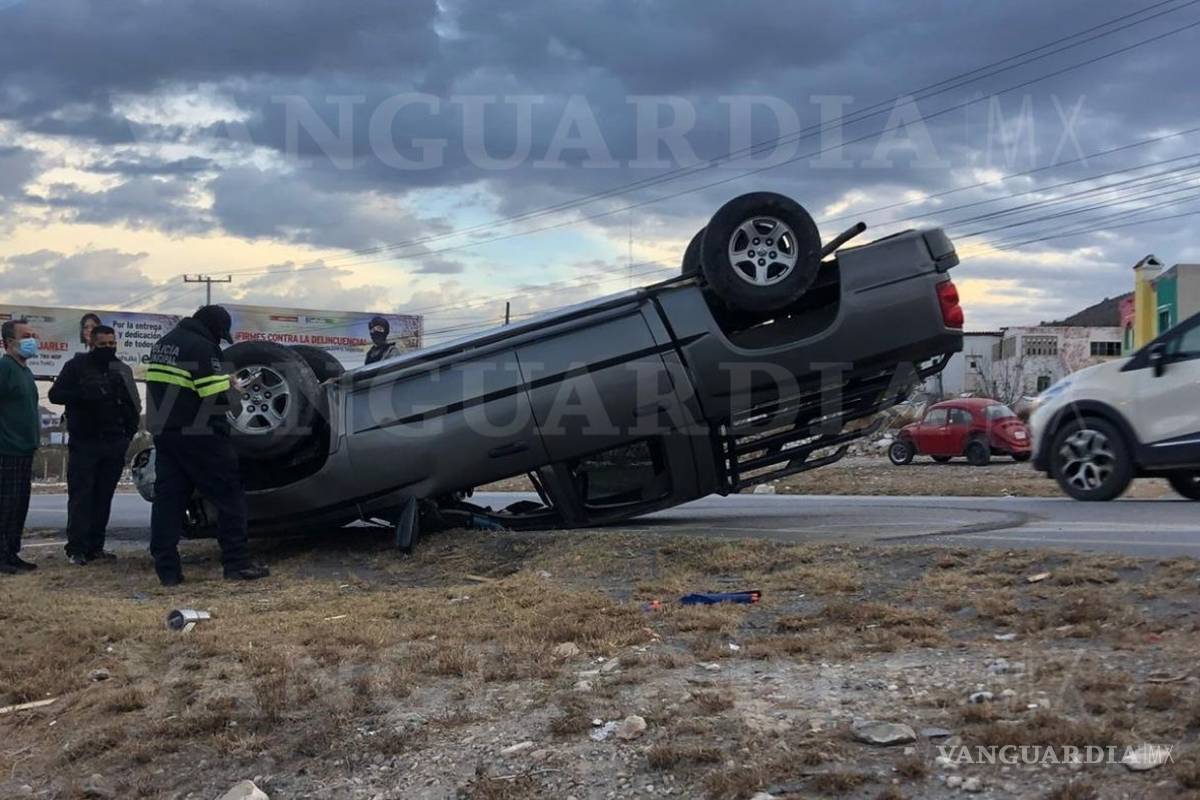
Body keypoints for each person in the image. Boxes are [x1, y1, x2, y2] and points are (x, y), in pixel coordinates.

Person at [145, 305, 269, 586]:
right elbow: (216, 400)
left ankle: (167, 571)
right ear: (214, 328)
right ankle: (237, 563)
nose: (219, 340)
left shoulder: (163, 344)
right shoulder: (202, 347)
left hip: (167, 434)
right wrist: (234, 389)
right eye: (220, 334)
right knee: (229, 496)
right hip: (202, 436)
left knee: (168, 502)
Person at [49, 325, 141, 565]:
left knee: (103, 497)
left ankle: (95, 547)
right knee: (81, 497)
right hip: (85, 443)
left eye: (112, 344)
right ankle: (76, 549)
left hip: (114, 442)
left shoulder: (122, 369)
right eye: (103, 345)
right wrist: (83, 393)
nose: (108, 348)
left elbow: (134, 405)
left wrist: (127, 436)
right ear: (91, 343)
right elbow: (55, 395)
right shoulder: (76, 366)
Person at [0, 319, 41, 575]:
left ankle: (11, 552)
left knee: (18, 506)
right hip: (7, 449)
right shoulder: (4, 368)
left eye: (33, 335)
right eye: (26, 336)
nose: (32, 340)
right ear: (9, 342)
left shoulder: (24, 371)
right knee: (5, 506)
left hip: (24, 449)